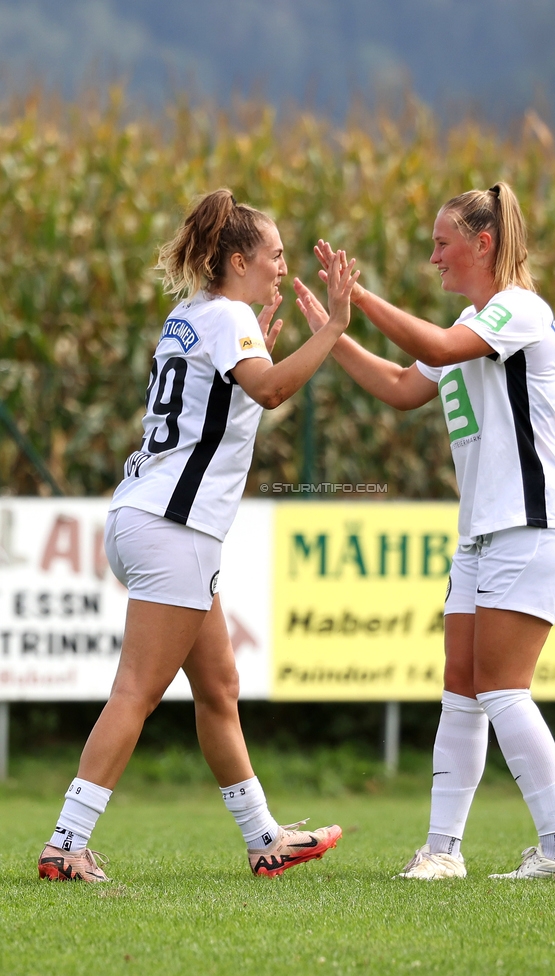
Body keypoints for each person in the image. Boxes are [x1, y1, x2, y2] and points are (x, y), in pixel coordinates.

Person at [38, 188, 359, 883]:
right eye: (274, 255)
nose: (281, 267)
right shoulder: (229, 318)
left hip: (144, 519)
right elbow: (271, 392)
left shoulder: (189, 316)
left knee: (218, 687)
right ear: (239, 260)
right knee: (136, 692)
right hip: (173, 529)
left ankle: (264, 838)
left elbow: (228, 408)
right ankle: (68, 841)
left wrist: (259, 362)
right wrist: (332, 327)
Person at [294, 182, 555, 880]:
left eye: (442, 244)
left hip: (533, 524)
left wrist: (359, 300)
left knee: (501, 688)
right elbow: (402, 385)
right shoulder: (473, 319)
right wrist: (331, 336)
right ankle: (443, 853)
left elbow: (430, 343)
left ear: (483, 244)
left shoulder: (517, 311)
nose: (433, 258)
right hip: (486, 532)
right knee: (462, 687)